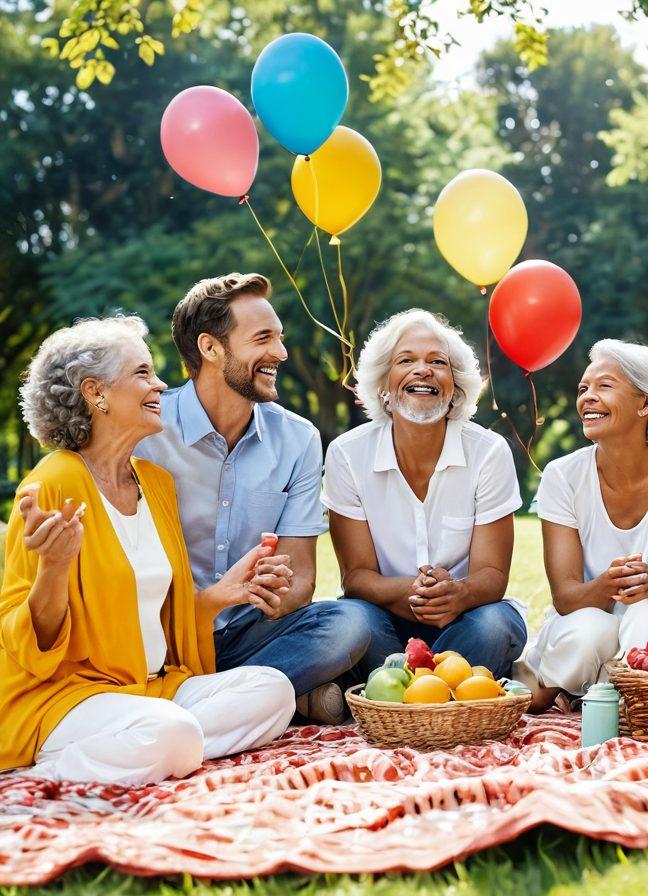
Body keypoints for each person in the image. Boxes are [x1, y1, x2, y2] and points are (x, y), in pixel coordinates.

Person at [1, 316, 295, 784]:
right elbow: (25, 645)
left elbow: (155, 618)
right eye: (142, 373)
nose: (160, 384)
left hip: (153, 690)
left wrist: (220, 594)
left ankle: (143, 750)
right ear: (96, 393)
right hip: (68, 696)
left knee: (273, 690)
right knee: (174, 733)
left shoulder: (155, 483)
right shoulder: (53, 483)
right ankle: (52, 769)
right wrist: (53, 569)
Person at [135, 273, 380, 725]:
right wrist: (209, 600)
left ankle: (202, 696)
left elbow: (302, 579)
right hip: (160, 631)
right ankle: (268, 697)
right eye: (264, 338)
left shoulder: (299, 439)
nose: (281, 353)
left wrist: (269, 591)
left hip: (250, 632)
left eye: (280, 338)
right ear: (210, 348)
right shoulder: (146, 433)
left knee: (350, 624)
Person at [519, 340, 648, 711]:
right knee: (593, 629)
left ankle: (595, 692)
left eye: (604, 386)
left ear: (646, 403)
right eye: (584, 388)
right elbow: (566, 598)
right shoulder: (562, 475)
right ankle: (603, 691)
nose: (588, 397)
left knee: (646, 613)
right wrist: (606, 585)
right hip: (584, 623)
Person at [323, 309, 527, 678]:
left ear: (456, 388)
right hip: (384, 621)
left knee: (497, 626)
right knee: (349, 622)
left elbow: (493, 576)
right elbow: (356, 577)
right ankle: (448, 686)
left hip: (468, 617)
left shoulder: (489, 452)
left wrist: (458, 595)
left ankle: (396, 687)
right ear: (383, 385)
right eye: (406, 361)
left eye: (438, 362)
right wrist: (413, 591)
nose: (423, 370)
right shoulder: (346, 453)